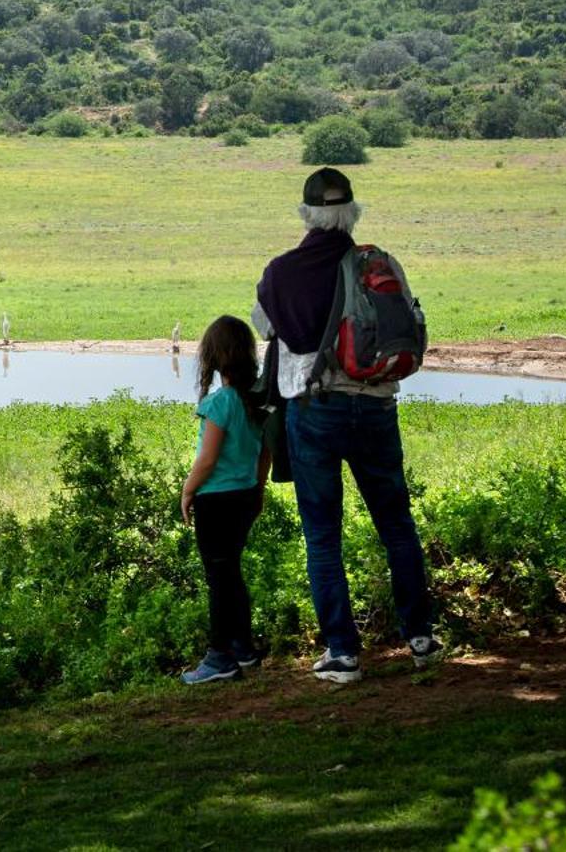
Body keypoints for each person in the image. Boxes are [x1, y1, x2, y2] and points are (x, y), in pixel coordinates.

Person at [254, 167, 443, 684]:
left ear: (306, 214)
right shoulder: (378, 263)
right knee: (396, 525)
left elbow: (266, 327)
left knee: (322, 534)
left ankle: (342, 652)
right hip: (378, 405)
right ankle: (421, 638)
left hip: (315, 410)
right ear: (351, 212)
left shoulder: (282, 272)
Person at [178, 315, 272, 685]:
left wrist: (187, 491)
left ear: (215, 357)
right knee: (231, 572)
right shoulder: (256, 401)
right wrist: (259, 489)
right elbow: (265, 453)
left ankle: (219, 658)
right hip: (246, 495)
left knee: (219, 576)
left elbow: (208, 459)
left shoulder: (219, 404)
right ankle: (243, 649)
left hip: (217, 501)